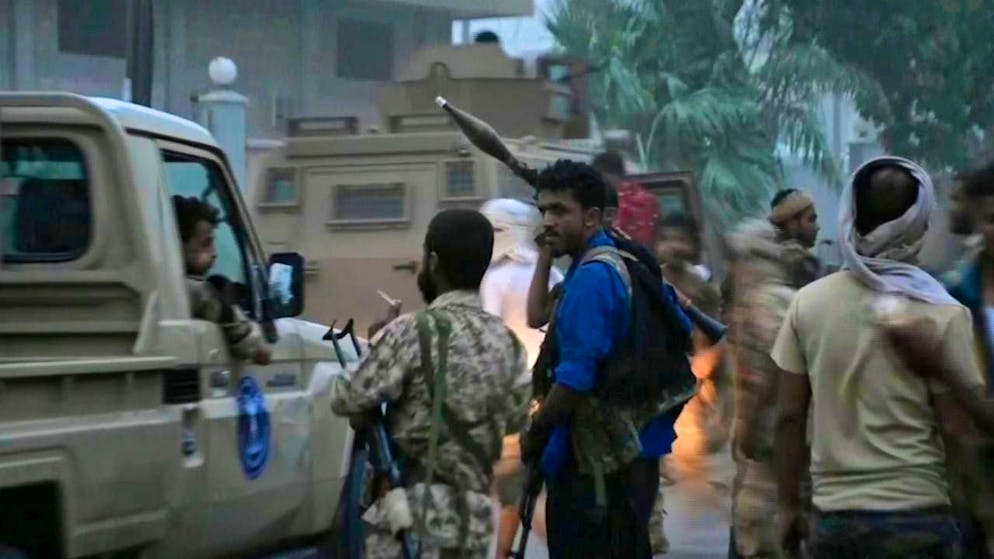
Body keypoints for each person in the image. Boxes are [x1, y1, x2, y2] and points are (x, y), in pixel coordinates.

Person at [772, 156, 980, 559]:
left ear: (850, 214)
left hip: (835, 521)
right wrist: (974, 514)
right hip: (921, 518)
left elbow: (789, 415)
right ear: (920, 222)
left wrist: (787, 506)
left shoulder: (808, 304)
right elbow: (957, 429)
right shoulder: (945, 312)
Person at [330, 209, 530, 559]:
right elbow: (517, 422)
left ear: (433, 262)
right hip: (474, 518)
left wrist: (376, 345)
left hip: (412, 516)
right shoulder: (507, 342)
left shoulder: (411, 331)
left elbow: (346, 397)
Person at [521, 159, 683, 559]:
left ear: (592, 218)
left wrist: (537, 429)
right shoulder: (599, 264)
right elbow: (537, 315)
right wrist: (546, 252)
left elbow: (576, 379)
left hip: (600, 469)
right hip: (620, 460)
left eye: (560, 211)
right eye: (543, 211)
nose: (547, 221)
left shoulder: (594, 277)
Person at [726, 191, 820, 559]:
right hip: (787, 447)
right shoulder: (784, 297)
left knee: (764, 537)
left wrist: (748, 429)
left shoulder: (767, 300)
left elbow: (770, 372)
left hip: (770, 449)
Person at [479, 198, 563, 558]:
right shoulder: (554, 275)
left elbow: (490, 340)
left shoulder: (495, 279)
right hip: (553, 392)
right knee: (519, 488)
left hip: (511, 397)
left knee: (516, 488)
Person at [656, 213, 727, 493]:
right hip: (657, 385)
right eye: (667, 239)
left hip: (695, 385)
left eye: (681, 240)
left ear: (692, 247)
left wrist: (708, 361)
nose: (674, 247)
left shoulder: (702, 289)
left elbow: (722, 336)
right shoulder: (649, 281)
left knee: (697, 468)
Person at [172, 195, 271, 365]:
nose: (214, 253)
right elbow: (259, 351)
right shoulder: (200, 294)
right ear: (175, 244)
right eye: (205, 244)